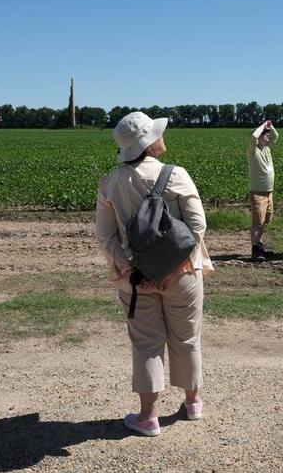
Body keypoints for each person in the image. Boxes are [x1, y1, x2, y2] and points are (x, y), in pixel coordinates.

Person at [95, 111, 213, 437]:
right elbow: (197, 227)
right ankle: (193, 402)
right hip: (184, 274)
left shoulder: (110, 182)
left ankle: (148, 416)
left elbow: (106, 237)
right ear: (150, 142)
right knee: (186, 336)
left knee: (146, 343)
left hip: (135, 282)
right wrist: (173, 272)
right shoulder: (177, 175)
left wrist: (135, 270)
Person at [246, 120, 279, 261]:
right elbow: (253, 137)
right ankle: (255, 250)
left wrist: (270, 127)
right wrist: (262, 126)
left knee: (264, 221)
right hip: (258, 193)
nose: (268, 136)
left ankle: (259, 245)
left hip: (268, 192)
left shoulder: (267, 149)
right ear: (259, 136)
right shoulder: (252, 151)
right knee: (257, 223)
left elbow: (276, 137)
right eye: (265, 134)